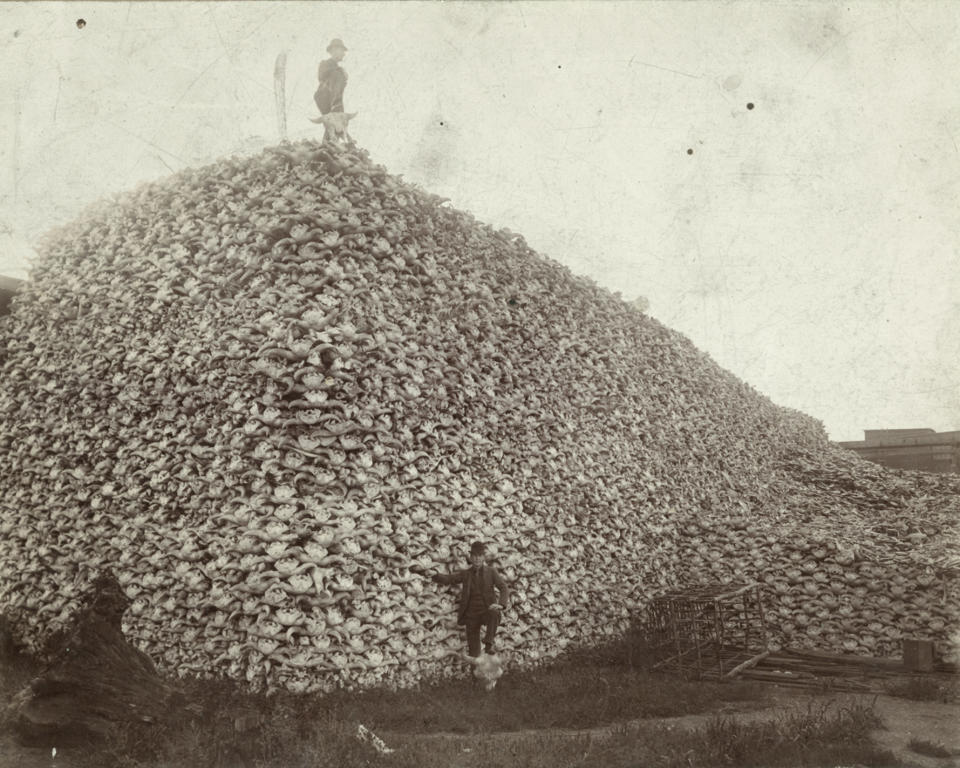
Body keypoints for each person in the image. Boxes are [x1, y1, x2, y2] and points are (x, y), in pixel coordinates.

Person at [432, 541, 510, 657]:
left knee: (495, 613)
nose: (477, 559)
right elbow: (449, 579)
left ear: (483, 557)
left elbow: (503, 587)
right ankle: (476, 673)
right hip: (471, 615)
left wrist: (501, 604)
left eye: (479, 556)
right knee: (474, 651)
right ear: (471, 557)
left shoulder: (491, 572)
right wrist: (434, 575)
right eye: (474, 556)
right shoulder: (466, 574)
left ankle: (489, 643)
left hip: (486, 611)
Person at [314, 38, 348, 116]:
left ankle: (337, 108)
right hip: (324, 99)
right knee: (337, 74)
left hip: (334, 104)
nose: (344, 54)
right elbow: (321, 76)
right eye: (342, 50)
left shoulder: (339, 71)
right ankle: (336, 107)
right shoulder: (325, 63)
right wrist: (340, 70)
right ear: (334, 50)